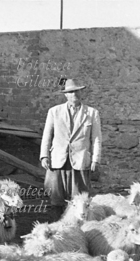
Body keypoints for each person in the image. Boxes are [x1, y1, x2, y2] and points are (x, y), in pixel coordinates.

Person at [39, 78, 102, 220]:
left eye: (76, 91)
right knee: (56, 198)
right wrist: (44, 156)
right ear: (65, 95)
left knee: (79, 199)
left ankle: (78, 228)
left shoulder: (92, 113)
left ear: (81, 92)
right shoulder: (54, 112)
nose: (74, 95)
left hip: (80, 161)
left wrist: (95, 159)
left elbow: (96, 138)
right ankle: (56, 224)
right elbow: (47, 135)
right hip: (58, 160)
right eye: (70, 92)